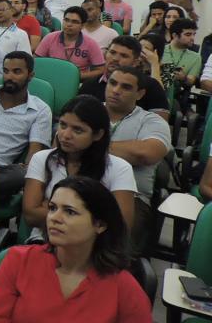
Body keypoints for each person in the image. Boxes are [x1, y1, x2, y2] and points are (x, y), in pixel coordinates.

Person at [0, 176, 152, 323]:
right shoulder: (18, 260)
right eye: (52, 208)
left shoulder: (123, 287)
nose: (54, 218)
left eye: (69, 212)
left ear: (100, 224)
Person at [23, 95, 137, 241]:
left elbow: (121, 226)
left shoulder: (120, 168)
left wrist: (49, 207)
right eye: (63, 125)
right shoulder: (42, 159)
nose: (65, 135)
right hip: (44, 241)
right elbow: (31, 215)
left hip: (94, 248)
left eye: (77, 130)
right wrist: (93, 214)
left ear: (98, 134)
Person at [0, 51, 53, 203]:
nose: (9, 77)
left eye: (17, 72)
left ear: (30, 75)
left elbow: (34, 151)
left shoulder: (40, 110)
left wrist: (27, 167)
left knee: (19, 175)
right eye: (6, 71)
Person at [104, 66, 171, 252]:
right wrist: (127, 149)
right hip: (83, 186)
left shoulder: (152, 121)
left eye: (126, 87)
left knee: (111, 245)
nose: (116, 90)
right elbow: (62, 144)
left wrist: (90, 146)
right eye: (112, 83)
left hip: (132, 197)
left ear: (140, 94)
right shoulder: (87, 111)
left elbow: (146, 153)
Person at [79, 36, 169, 120]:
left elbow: (160, 122)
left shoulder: (151, 86)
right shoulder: (90, 84)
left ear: (135, 62)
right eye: (112, 52)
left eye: (124, 56)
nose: (115, 58)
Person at [35, 6, 105, 81]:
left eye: (74, 22)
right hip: (50, 79)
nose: (69, 24)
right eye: (66, 20)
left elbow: (100, 70)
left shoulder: (91, 44)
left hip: (77, 82)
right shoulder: (50, 37)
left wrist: (77, 76)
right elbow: (36, 60)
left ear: (83, 25)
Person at [162, 18, 201, 93]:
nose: (192, 38)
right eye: (188, 34)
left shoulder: (196, 57)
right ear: (175, 35)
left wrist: (184, 78)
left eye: (194, 34)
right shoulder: (159, 50)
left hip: (178, 94)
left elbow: (191, 81)